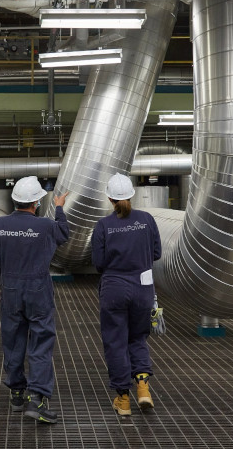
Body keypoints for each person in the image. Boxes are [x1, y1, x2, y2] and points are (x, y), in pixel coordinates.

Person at [0, 176, 69, 424]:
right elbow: (64, 233)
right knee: (41, 343)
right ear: (36, 203)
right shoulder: (45, 226)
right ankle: (38, 400)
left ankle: (16, 393)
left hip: (10, 290)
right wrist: (60, 207)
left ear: (15, 201)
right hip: (38, 290)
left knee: (13, 342)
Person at [91, 173, 162, 416]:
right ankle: (143, 388)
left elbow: (98, 262)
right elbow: (157, 253)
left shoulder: (103, 226)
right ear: (132, 194)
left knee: (116, 341)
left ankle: (123, 400)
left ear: (110, 198)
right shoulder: (147, 220)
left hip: (114, 288)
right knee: (138, 338)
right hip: (143, 287)